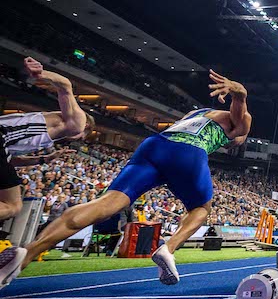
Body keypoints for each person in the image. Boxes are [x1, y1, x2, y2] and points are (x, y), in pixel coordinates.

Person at [0, 70, 251, 287]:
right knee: (200, 209)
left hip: (153, 147)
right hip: (188, 151)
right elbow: (239, 107)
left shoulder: (196, 113)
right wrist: (239, 92)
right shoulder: (237, 123)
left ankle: (26, 253)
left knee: (105, 205)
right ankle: (168, 249)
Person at [0, 57, 95, 223]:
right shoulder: (76, 122)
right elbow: (65, 86)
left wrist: (43, 159)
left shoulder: (49, 134)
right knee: (13, 205)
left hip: (3, 144)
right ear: (87, 127)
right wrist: (41, 74)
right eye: (84, 137)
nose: (79, 140)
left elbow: (9, 161)